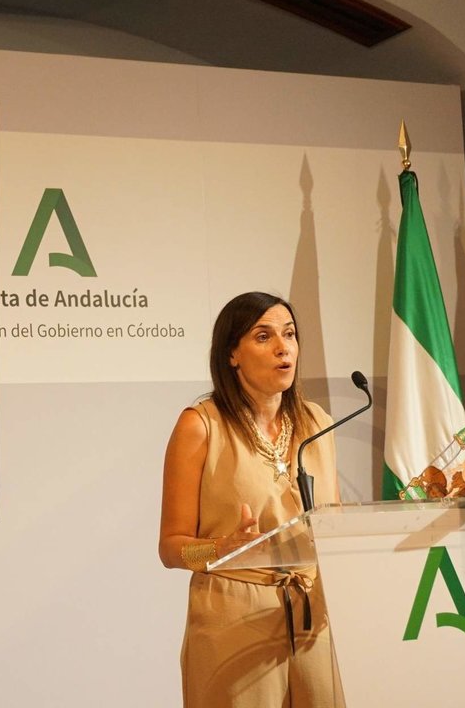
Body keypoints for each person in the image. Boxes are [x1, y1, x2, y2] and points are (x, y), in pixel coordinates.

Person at [159, 291, 343, 707]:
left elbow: (332, 526)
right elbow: (170, 548)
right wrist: (220, 549)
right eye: (264, 336)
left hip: (314, 612)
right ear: (232, 355)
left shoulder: (318, 422)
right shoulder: (200, 425)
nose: (283, 348)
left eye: (290, 335)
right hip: (234, 615)